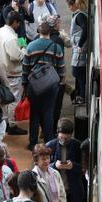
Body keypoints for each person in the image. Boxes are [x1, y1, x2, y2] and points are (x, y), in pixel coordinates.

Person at [24, 22, 66, 150]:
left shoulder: (31, 46)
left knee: (34, 113)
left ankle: (33, 142)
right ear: (50, 32)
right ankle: (48, 141)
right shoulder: (56, 47)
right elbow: (61, 69)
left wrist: (24, 84)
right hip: (51, 85)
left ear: (38, 31)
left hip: (34, 85)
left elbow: (25, 67)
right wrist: (58, 83)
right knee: (48, 112)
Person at [0, 11, 28, 133]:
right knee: (13, 100)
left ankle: (4, 123)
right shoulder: (11, 38)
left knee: (4, 100)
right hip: (12, 74)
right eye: (18, 23)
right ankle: (12, 125)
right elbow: (16, 56)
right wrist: (24, 48)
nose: (19, 26)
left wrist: (21, 43)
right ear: (14, 22)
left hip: (1, 71)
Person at [67, 0, 89, 104]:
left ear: (74, 5)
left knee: (78, 71)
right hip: (78, 47)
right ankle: (80, 94)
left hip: (80, 48)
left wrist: (80, 45)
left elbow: (85, 30)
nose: (69, 8)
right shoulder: (79, 15)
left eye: (70, 6)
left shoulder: (80, 16)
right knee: (78, 72)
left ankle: (82, 95)